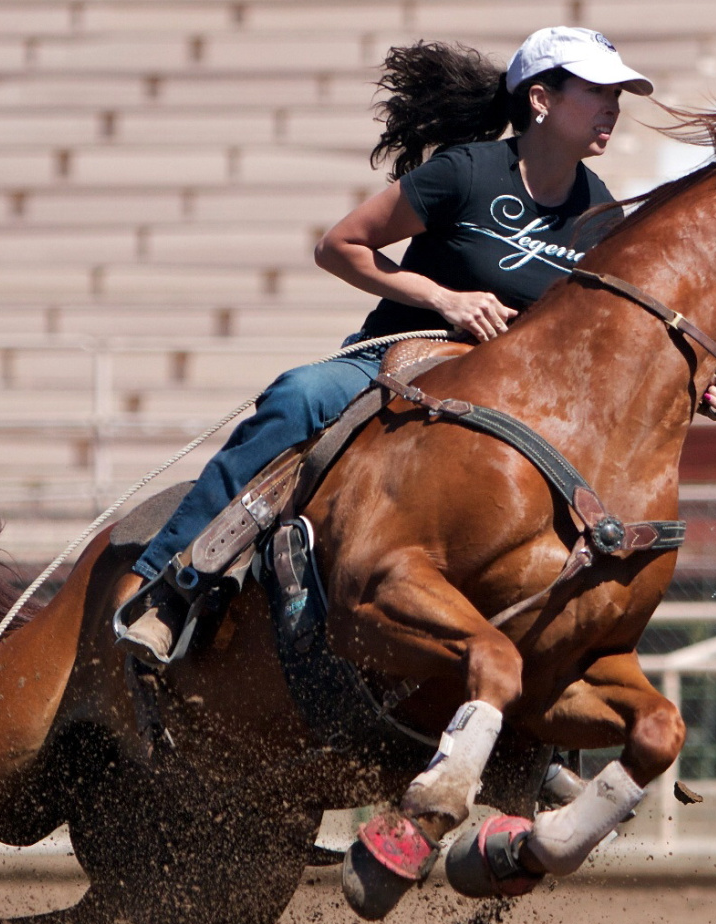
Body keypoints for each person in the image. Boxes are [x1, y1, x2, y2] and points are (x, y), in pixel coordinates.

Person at [115, 27, 657, 664]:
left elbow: (600, 329)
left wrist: (701, 384)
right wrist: (444, 298)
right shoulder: (467, 170)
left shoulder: (603, 214)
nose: (613, 106)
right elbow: (339, 247)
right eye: (597, 91)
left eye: (618, 93)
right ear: (540, 99)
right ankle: (173, 585)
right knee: (300, 393)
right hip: (397, 360)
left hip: (512, 397)